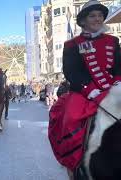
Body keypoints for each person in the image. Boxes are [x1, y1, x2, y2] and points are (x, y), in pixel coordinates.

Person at [48, 0, 121, 174]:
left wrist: (118, 81)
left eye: (100, 15)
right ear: (83, 21)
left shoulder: (112, 40)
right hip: (84, 91)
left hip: (112, 88)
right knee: (70, 118)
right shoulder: (71, 45)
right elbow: (72, 72)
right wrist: (91, 91)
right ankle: (74, 165)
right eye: (92, 16)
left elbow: (118, 66)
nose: (97, 19)